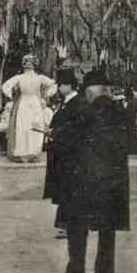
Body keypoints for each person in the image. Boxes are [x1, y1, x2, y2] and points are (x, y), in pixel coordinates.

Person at [53, 68, 130, 273]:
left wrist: (54, 135)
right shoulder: (119, 111)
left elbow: (69, 137)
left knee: (76, 224)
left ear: (91, 90)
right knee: (107, 227)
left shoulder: (84, 111)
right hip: (113, 178)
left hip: (85, 177)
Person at [42, 68, 88, 241]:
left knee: (70, 191)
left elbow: (76, 129)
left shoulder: (78, 104)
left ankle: (68, 226)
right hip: (63, 153)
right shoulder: (67, 102)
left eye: (60, 85)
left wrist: (55, 132)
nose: (59, 88)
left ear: (69, 85)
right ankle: (64, 225)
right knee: (66, 191)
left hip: (72, 155)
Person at [1, 54, 57, 162]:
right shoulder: (21, 77)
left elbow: (53, 85)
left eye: (30, 62)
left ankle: (33, 153)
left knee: (34, 127)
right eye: (26, 62)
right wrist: (11, 95)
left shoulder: (38, 78)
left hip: (33, 103)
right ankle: (23, 153)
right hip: (26, 103)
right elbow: (6, 86)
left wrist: (46, 95)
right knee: (23, 127)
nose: (28, 64)